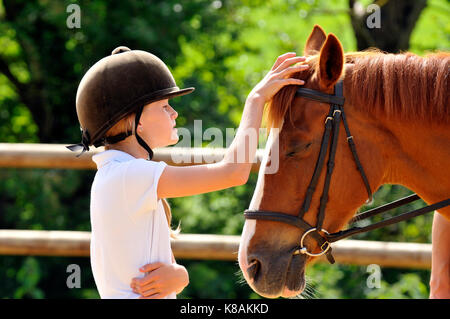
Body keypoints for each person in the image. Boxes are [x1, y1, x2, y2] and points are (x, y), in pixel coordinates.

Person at [67, 46, 308, 299]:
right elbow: (233, 172)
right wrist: (256, 99)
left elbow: (164, 269)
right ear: (134, 121)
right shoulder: (128, 176)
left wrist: (180, 276)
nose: (174, 113)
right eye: (164, 106)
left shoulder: (120, 176)